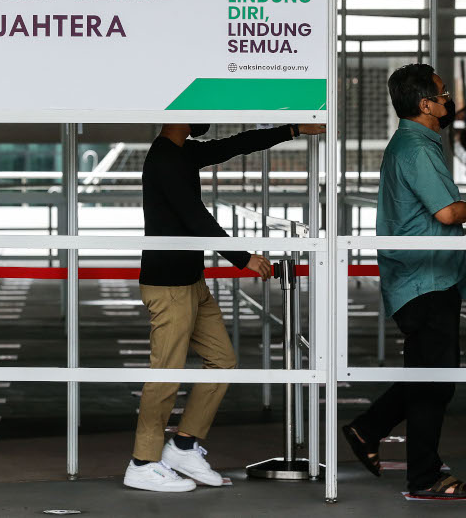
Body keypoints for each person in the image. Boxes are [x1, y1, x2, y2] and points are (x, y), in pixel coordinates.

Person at [124, 121, 325, 493]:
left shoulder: (184, 151)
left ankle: (183, 446)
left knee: (222, 359)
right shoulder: (164, 158)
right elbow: (193, 215)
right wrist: (242, 257)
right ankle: (142, 462)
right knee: (165, 374)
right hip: (168, 285)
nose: (208, 117)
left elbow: (237, 144)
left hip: (191, 281)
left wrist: (294, 129)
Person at [342, 64, 466, 500]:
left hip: (426, 277)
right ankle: (423, 476)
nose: (448, 99)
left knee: (433, 376)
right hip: (424, 279)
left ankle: (369, 430)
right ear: (426, 104)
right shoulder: (416, 148)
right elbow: (447, 212)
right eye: (443, 93)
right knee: (433, 379)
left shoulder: (416, 144)